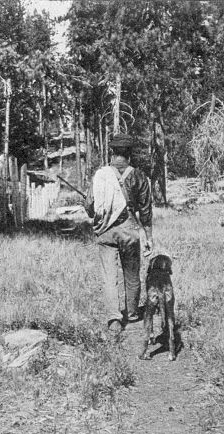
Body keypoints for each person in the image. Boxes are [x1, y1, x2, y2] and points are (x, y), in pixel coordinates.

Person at [84, 133, 154, 330]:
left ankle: (114, 319)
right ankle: (132, 313)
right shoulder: (139, 176)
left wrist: (88, 206)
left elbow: (91, 207)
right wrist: (148, 237)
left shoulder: (100, 175)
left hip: (105, 231)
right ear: (130, 154)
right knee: (132, 273)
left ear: (112, 152)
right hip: (129, 231)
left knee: (109, 276)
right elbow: (146, 211)